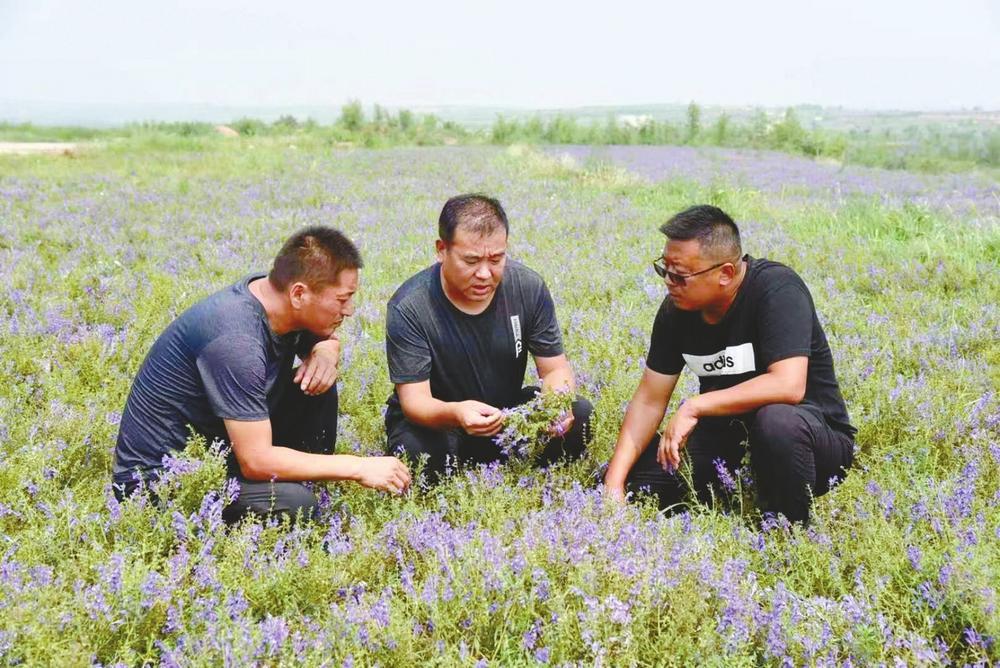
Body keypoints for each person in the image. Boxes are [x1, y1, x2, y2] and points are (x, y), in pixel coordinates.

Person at [113, 226, 411, 523]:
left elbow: (322, 339)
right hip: (164, 479)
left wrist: (325, 351)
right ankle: (293, 492)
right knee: (297, 504)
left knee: (319, 387)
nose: (350, 311)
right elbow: (255, 461)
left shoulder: (275, 296)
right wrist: (357, 467)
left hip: (221, 443)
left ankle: (298, 481)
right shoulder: (236, 340)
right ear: (298, 294)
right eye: (342, 299)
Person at [603, 205, 855, 525]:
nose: (668, 282)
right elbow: (650, 399)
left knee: (776, 421)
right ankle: (727, 498)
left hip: (810, 439)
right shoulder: (676, 311)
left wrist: (695, 406)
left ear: (725, 273)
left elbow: (788, 385)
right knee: (640, 477)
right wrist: (614, 483)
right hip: (727, 440)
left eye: (680, 275)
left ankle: (786, 536)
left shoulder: (778, 290)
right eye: (663, 270)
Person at [384, 194, 592, 481]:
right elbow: (415, 401)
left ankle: (494, 461)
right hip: (441, 420)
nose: (484, 273)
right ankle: (478, 462)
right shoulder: (410, 306)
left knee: (580, 415)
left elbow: (555, 368)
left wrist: (556, 403)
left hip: (503, 414)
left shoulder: (527, 287)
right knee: (419, 454)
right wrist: (458, 414)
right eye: (471, 261)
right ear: (441, 250)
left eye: (496, 259)